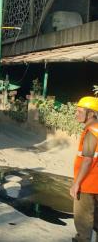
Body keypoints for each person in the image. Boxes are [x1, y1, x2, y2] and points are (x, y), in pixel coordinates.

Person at [70, 96, 98, 242]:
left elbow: (87, 160)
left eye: (80, 111)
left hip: (87, 185)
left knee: (83, 224)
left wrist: (76, 184)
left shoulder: (91, 132)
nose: (76, 114)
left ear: (91, 114)